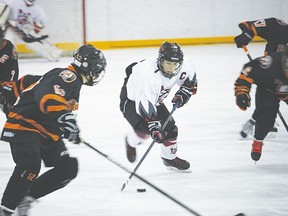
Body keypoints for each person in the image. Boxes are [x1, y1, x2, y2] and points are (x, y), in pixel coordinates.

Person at [0, 44, 107, 216]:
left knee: (68, 168)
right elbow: (47, 97)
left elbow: (30, 83)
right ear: (87, 65)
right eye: (97, 68)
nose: (97, 72)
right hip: (25, 125)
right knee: (30, 165)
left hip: (45, 132)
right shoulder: (68, 76)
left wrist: (69, 129)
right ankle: (6, 209)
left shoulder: (73, 82)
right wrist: (66, 119)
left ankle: (26, 198)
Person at [119, 41, 197, 171]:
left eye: (174, 64)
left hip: (155, 99)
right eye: (167, 64)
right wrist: (153, 124)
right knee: (144, 131)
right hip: (131, 100)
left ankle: (169, 159)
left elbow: (190, 82)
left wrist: (185, 92)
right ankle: (130, 141)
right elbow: (144, 102)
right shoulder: (147, 73)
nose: (171, 68)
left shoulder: (185, 66)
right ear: (160, 60)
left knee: (170, 129)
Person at [234, 17, 288, 138]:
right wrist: (248, 33)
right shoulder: (280, 28)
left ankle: (257, 121)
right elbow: (253, 26)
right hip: (270, 75)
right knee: (266, 101)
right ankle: (262, 122)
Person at [234, 48, 288, 162]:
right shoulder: (270, 63)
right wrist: (241, 92)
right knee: (266, 119)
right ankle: (258, 140)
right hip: (269, 90)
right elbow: (247, 71)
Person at [0, 26, 19, 116]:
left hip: (5, 80)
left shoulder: (9, 48)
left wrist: (7, 88)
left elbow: (13, 70)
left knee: (6, 104)